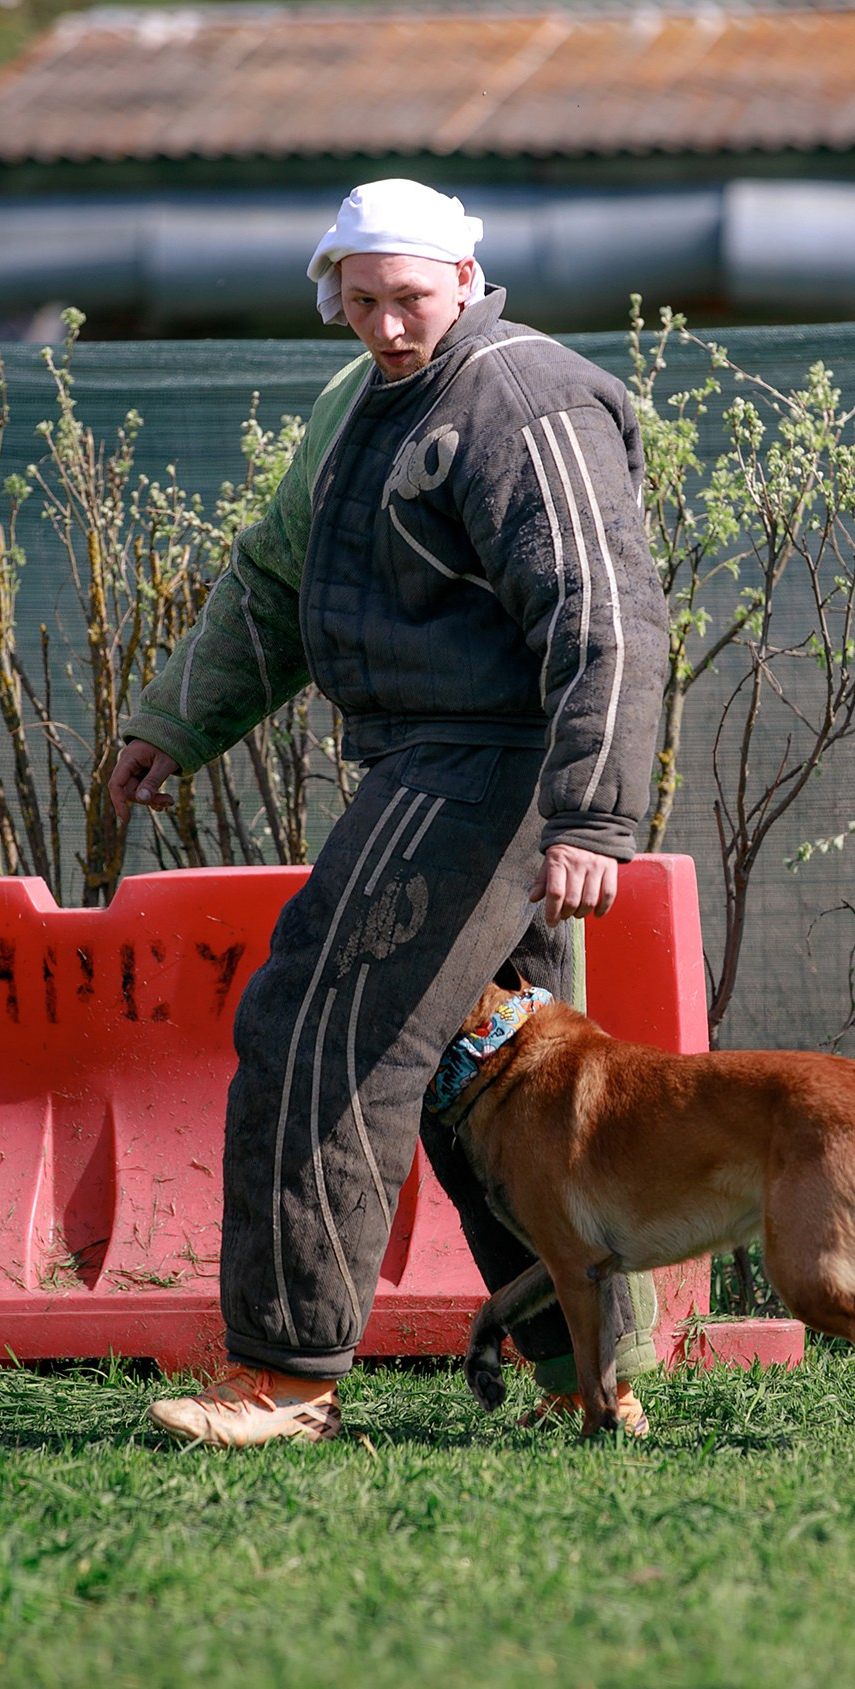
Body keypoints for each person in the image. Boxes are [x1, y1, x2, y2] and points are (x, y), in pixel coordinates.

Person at [108, 179, 670, 1447]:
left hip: (494, 766)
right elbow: (273, 576)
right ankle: (584, 1380)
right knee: (494, 1085)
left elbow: (606, 612)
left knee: (318, 1026)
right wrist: (173, 720)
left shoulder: (525, 398)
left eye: (409, 298)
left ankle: (285, 1382)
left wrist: (591, 814)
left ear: (467, 280)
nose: (387, 326)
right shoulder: (359, 402)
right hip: (432, 758)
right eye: (359, 302)